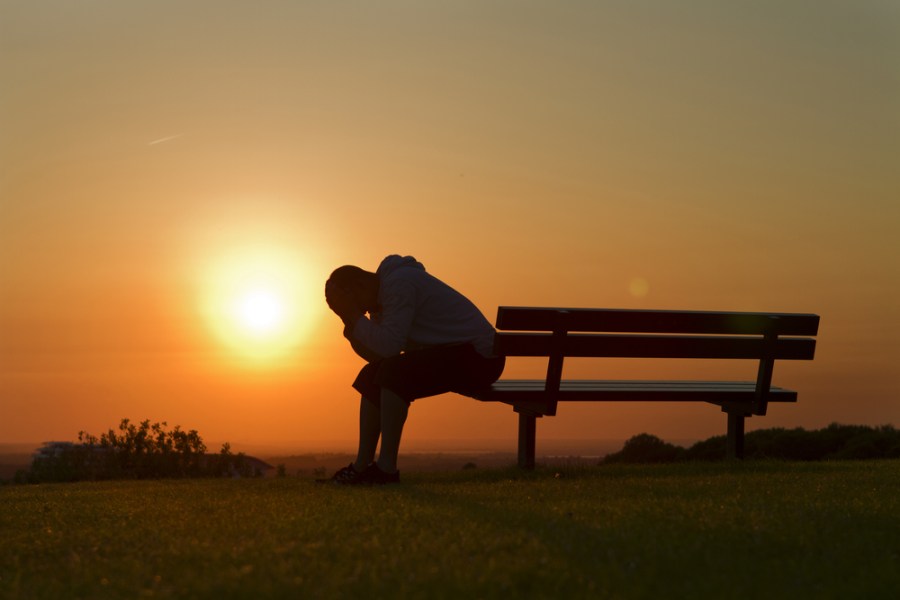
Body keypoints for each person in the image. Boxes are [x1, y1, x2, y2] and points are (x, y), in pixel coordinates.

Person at [323, 255, 504, 485]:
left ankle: (386, 469)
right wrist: (349, 321)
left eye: (356, 304)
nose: (362, 311)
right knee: (371, 375)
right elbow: (378, 357)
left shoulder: (399, 284)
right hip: (459, 354)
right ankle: (361, 466)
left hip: (481, 358)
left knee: (394, 374)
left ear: (360, 285)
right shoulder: (383, 298)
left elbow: (389, 350)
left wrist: (354, 316)